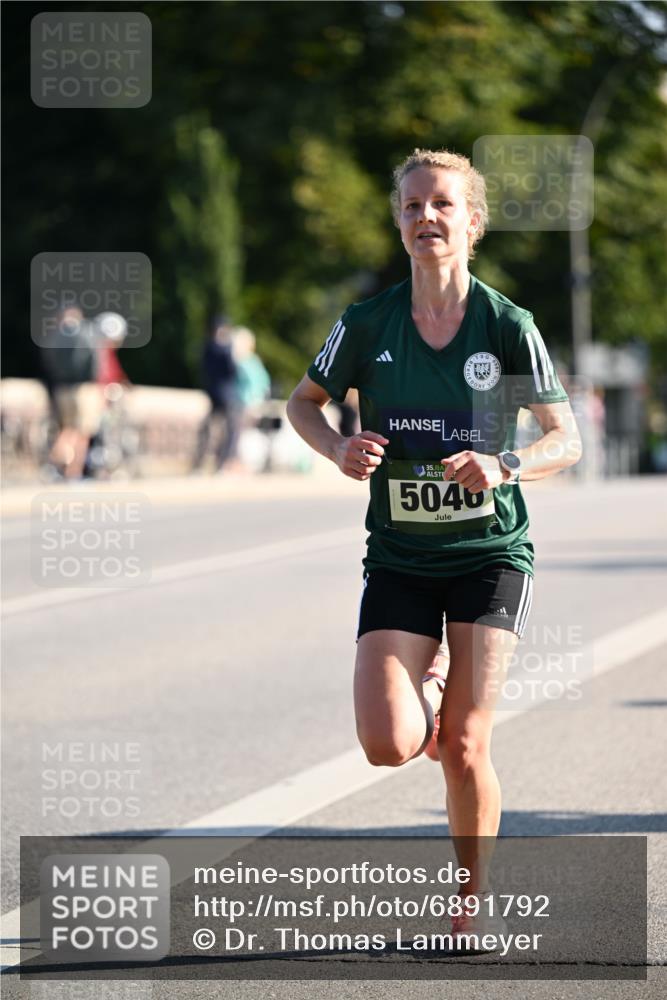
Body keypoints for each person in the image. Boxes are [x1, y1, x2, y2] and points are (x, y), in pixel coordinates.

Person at [287, 148, 582, 948]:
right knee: (389, 745)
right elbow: (303, 402)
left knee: (462, 742)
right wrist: (337, 447)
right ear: (398, 220)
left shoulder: (506, 326)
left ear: (471, 221)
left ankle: (471, 900)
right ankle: (435, 674)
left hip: (489, 554)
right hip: (398, 559)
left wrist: (504, 461)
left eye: (442, 205)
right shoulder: (367, 323)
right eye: (413, 206)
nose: (426, 218)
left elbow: (565, 438)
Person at [39, 305, 102, 480]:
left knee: (68, 428)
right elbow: (93, 360)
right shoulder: (85, 334)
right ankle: (72, 471)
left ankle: (58, 463)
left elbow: (48, 363)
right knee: (83, 432)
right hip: (83, 387)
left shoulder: (53, 337)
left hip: (61, 388)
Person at [191, 316, 241, 473]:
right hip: (224, 395)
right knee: (229, 430)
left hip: (215, 394)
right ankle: (220, 463)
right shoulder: (222, 348)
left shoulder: (208, 347)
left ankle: (203, 463)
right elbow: (232, 370)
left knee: (212, 429)